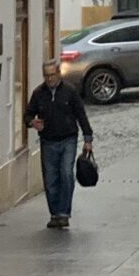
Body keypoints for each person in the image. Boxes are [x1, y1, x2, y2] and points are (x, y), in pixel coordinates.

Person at [24, 57, 94, 230]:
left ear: (58, 73)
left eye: (52, 75)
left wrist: (88, 139)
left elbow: (81, 114)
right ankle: (54, 213)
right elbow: (27, 114)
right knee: (50, 179)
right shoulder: (38, 93)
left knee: (66, 174)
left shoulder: (69, 91)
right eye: (46, 75)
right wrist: (32, 122)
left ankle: (63, 213)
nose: (49, 79)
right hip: (48, 140)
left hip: (68, 138)